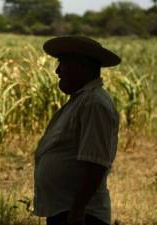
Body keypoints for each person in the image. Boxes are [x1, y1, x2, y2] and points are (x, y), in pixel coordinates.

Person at [33, 36, 121, 225]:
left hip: (81, 215)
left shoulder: (94, 103)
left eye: (62, 64)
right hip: (66, 209)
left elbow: (95, 163)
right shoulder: (82, 100)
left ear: (82, 67)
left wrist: (78, 209)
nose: (57, 71)